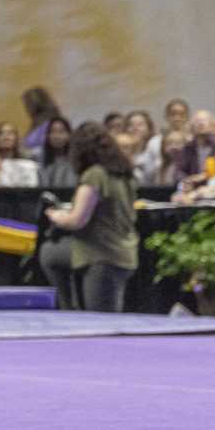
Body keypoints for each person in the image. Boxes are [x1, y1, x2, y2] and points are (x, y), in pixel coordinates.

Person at [42, 122, 139, 312]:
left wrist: (56, 216)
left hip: (102, 255)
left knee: (103, 319)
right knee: (50, 254)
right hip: (124, 250)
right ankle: (69, 307)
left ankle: (68, 307)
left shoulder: (94, 175)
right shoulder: (124, 174)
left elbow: (77, 220)